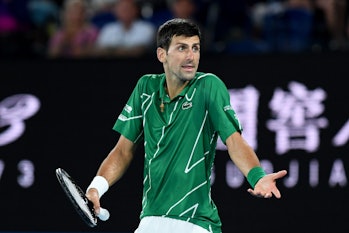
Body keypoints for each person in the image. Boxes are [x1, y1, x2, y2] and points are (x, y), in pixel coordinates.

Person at [85, 18, 288, 233]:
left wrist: (256, 176)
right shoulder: (145, 88)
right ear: (162, 54)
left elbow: (234, 141)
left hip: (195, 222)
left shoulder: (208, 86)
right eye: (182, 48)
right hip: (151, 220)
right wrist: (97, 187)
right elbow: (123, 151)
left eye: (195, 48)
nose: (191, 56)